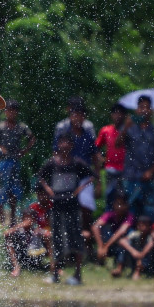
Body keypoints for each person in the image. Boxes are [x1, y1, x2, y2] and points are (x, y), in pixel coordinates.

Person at [37, 132, 95, 286]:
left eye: (68, 142)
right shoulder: (52, 163)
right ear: (58, 144)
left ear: (72, 145)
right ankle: (55, 274)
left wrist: (78, 190)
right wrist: (49, 191)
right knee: (56, 240)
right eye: (62, 142)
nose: (65, 146)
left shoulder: (76, 163)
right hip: (56, 206)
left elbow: (92, 176)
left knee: (76, 238)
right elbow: (41, 177)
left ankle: (77, 275)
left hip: (73, 206)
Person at [118, 95, 154, 220]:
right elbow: (117, 144)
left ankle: (149, 239)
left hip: (147, 179)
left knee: (149, 213)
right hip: (130, 177)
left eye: (147, 107)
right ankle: (130, 238)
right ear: (136, 110)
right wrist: (126, 127)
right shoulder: (129, 128)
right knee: (130, 212)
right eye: (141, 107)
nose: (144, 110)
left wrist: (151, 171)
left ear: (151, 111)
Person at [54, 97, 98, 227]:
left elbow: (95, 154)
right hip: (66, 173)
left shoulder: (88, 131)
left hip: (85, 174)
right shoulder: (62, 129)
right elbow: (56, 152)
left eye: (81, 114)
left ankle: (86, 233)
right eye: (75, 114)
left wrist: (97, 178)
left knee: (86, 204)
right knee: (62, 203)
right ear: (70, 114)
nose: (78, 117)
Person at [0, 100, 36, 226]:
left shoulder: (21, 127)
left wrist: (24, 151)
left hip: (14, 161)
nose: (11, 113)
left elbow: (32, 138)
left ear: (17, 112)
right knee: (0, 190)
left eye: (14, 111)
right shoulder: (0, 126)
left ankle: (12, 219)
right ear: (5, 112)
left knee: (13, 191)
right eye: (9, 110)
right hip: (1, 162)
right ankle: (0, 219)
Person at [90, 193, 133, 275]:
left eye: (122, 204)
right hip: (111, 243)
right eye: (118, 204)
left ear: (126, 206)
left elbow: (121, 232)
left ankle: (119, 269)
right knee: (102, 231)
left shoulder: (129, 216)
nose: (119, 207)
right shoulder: (109, 215)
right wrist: (100, 246)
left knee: (123, 242)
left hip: (124, 244)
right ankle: (99, 261)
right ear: (114, 205)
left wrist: (106, 246)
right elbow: (95, 227)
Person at [95, 103, 128, 208]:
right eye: (115, 113)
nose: (118, 116)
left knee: (126, 198)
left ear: (124, 115)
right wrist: (101, 158)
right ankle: (108, 220)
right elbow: (96, 148)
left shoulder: (129, 131)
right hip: (110, 168)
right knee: (110, 197)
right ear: (111, 115)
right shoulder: (106, 130)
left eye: (120, 113)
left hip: (126, 170)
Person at [4, 208, 48, 277]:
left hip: (35, 257)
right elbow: (6, 234)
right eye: (25, 217)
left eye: (30, 218)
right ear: (22, 219)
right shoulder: (19, 230)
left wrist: (43, 234)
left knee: (49, 239)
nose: (27, 220)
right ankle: (16, 267)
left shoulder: (36, 230)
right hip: (21, 257)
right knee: (9, 241)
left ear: (34, 220)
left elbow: (49, 234)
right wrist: (21, 225)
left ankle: (54, 267)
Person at [118, 215, 154, 280]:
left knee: (148, 253)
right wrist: (133, 251)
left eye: (145, 225)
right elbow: (122, 241)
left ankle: (137, 272)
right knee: (124, 247)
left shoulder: (151, 235)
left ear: (149, 227)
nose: (142, 227)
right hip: (135, 257)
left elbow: (151, 244)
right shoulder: (135, 234)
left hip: (147, 260)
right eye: (140, 225)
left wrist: (141, 255)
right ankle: (119, 269)